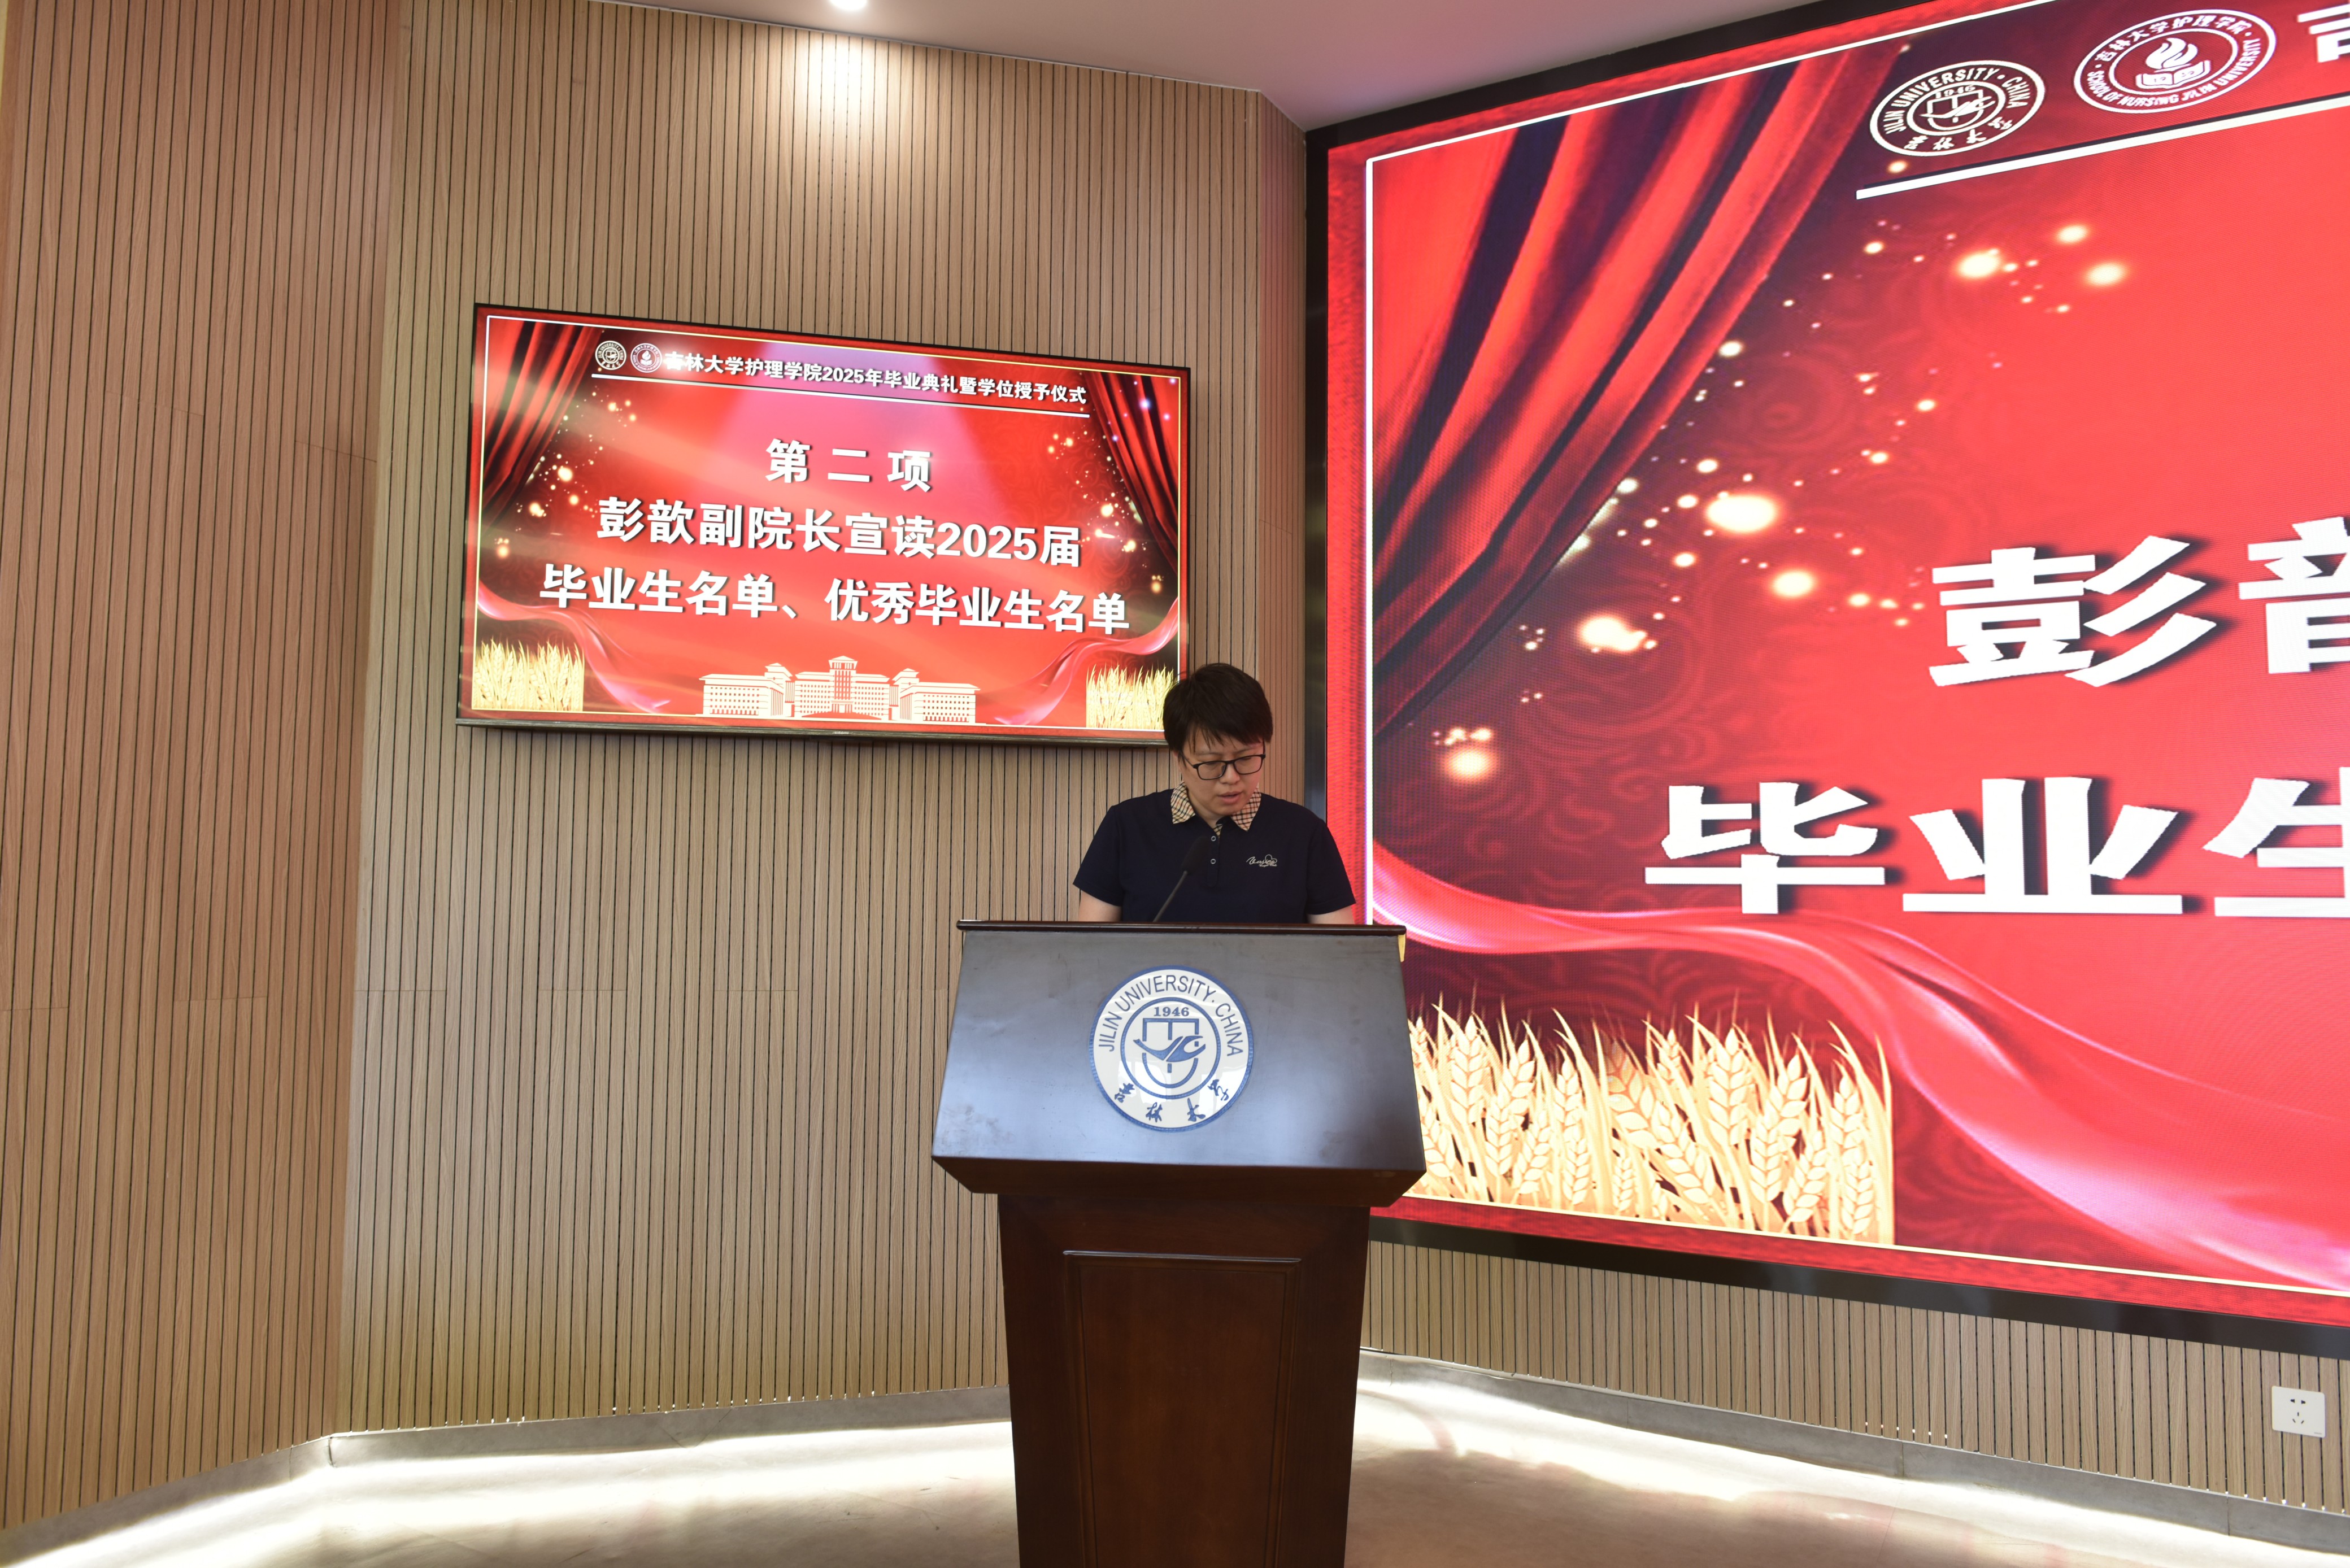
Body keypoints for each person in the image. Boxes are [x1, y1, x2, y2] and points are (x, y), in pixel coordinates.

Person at [1074, 663, 1357, 924]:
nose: (1231, 778)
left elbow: (1340, 950)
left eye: (1246, 758)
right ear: (1179, 758)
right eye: (1211, 763)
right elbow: (1091, 946)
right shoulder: (1126, 826)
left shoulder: (1304, 833)